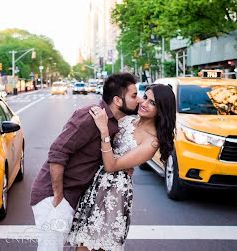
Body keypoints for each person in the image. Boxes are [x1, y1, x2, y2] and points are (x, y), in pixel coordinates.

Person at [30, 72, 140, 250]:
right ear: (118, 101)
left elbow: (100, 157)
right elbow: (57, 153)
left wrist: (123, 164)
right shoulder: (89, 117)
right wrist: (58, 196)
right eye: (134, 96)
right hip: (53, 197)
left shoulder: (111, 124)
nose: (139, 100)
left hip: (74, 197)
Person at [67, 84, 176, 251]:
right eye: (145, 97)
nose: (144, 103)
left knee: (94, 246)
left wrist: (104, 130)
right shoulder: (126, 120)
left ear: (161, 110)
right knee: (82, 243)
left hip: (113, 193)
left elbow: (111, 166)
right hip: (94, 185)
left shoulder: (152, 141)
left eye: (153, 103)